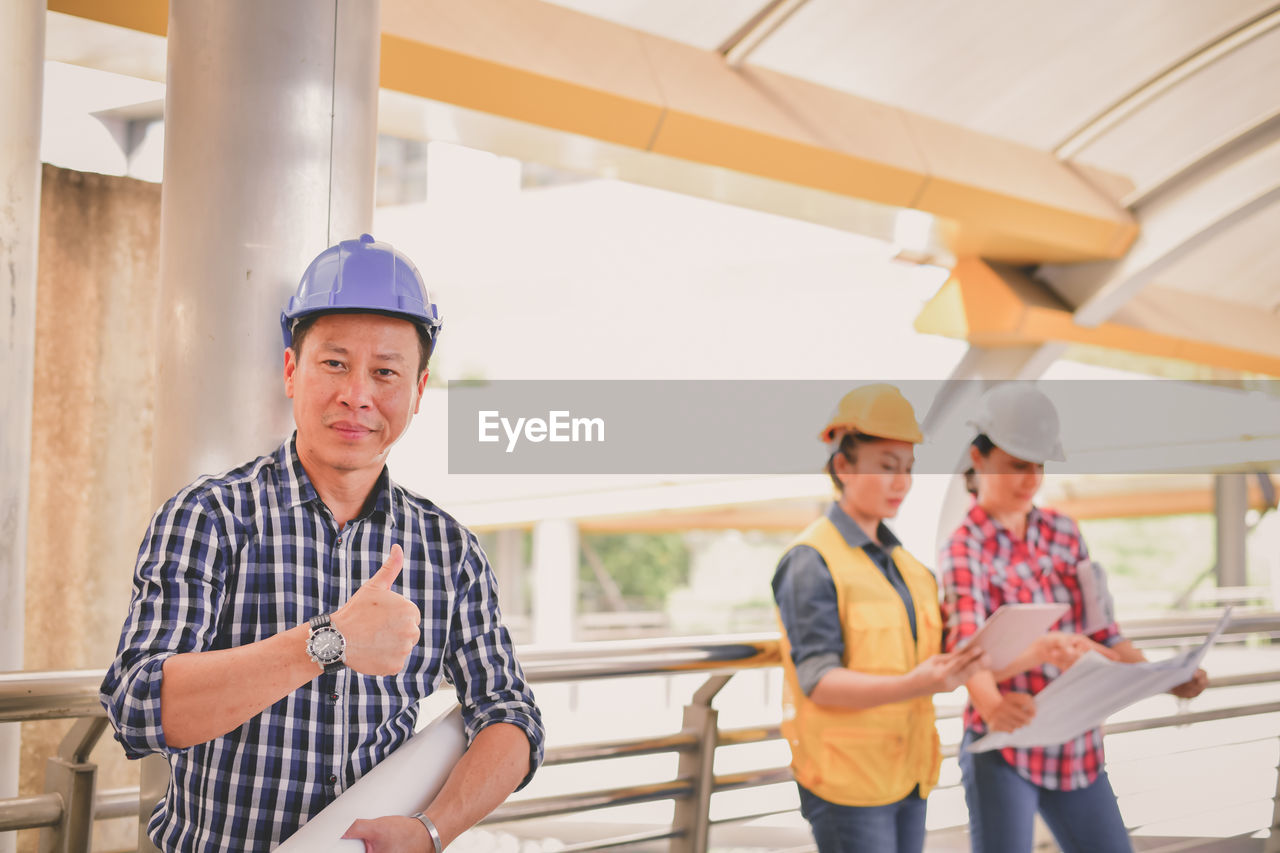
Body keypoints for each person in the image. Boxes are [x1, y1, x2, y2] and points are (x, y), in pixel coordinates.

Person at [100, 234, 544, 853]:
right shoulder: (210, 517)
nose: (356, 395)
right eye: (334, 363)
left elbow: (511, 714)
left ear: (417, 393)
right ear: (291, 371)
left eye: (385, 372)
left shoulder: (448, 551)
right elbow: (137, 708)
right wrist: (326, 643)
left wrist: (431, 830)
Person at [940, 382, 1209, 853]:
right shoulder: (965, 547)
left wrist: (1164, 677)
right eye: (1017, 465)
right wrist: (992, 705)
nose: (1030, 479)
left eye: (1038, 466)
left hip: (1076, 748)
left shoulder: (1064, 531)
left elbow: (1103, 629)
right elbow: (968, 649)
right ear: (978, 459)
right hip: (1003, 747)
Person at [771, 384, 990, 853]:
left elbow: (928, 653)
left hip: (909, 774)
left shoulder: (911, 570)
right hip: (848, 784)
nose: (901, 483)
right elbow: (819, 679)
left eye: (907, 469)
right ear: (843, 466)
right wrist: (917, 683)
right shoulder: (811, 560)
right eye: (886, 467)